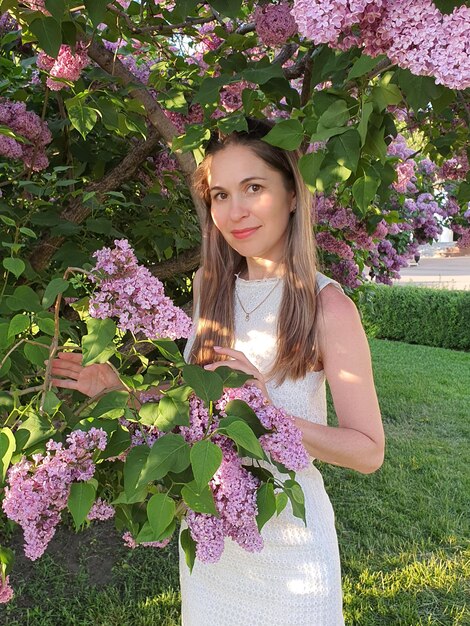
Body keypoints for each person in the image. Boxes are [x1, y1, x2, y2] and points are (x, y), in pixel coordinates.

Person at [51, 118, 384, 626]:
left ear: (292, 194)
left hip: (291, 543)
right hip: (214, 541)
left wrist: (267, 415)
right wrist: (123, 392)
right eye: (220, 194)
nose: (236, 211)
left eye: (254, 188)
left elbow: (368, 451)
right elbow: (199, 401)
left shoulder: (328, 308)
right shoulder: (211, 286)